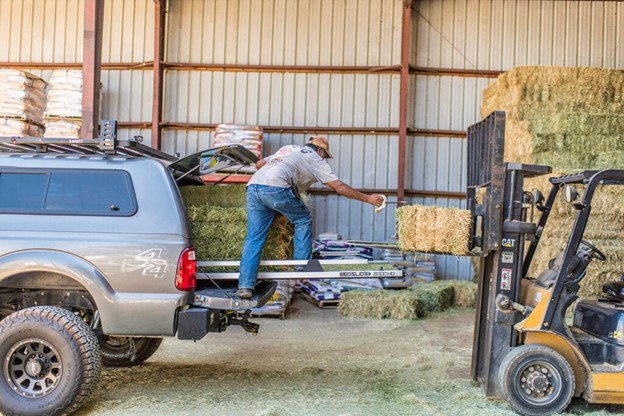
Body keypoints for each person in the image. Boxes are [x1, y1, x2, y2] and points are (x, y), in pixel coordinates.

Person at [235, 136, 385, 298]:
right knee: (303, 219)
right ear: (320, 151)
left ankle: (245, 286)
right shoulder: (314, 158)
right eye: (325, 156)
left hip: (253, 187)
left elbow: (259, 164)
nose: (325, 159)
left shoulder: (289, 149)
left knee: (254, 238)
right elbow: (338, 186)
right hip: (276, 187)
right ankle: (301, 266)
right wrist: (368, 198)